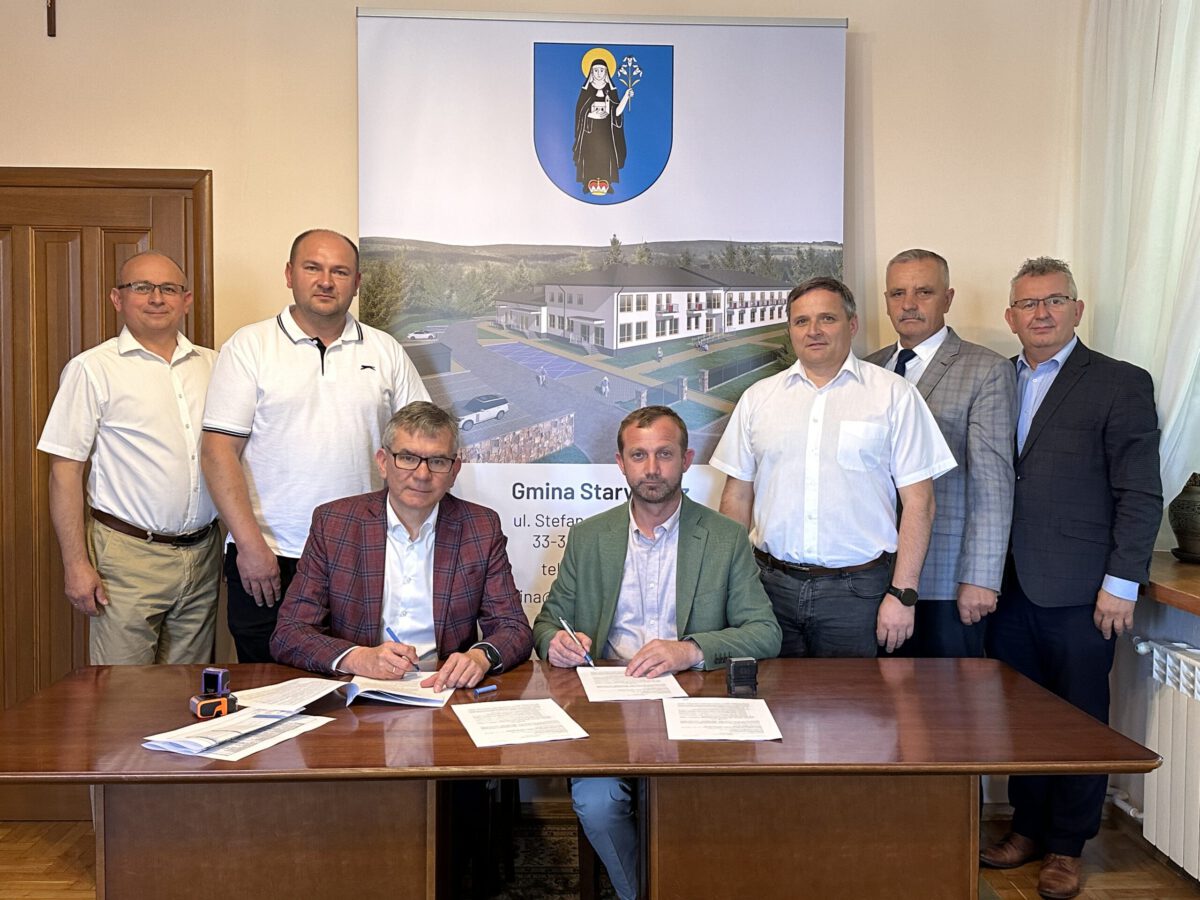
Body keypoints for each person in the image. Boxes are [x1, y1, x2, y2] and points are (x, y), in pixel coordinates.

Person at [534, 406, 781, 900]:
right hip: (608, 708)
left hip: (697, 703)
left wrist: (690, 649)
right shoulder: (589, 537)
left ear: (686, 460)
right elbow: (546, 623)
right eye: (639, 455)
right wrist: (556, 643)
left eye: (664, 455)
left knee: (715, 801)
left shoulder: (725, 537)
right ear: (620, 463)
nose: (652, 469)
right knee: (597, 802)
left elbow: (765, 632)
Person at [980, 257, 1161, 899]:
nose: (1042, 313)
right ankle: (1027, 829)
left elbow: (1140, 493)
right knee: (1020, 717)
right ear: (1010, 317)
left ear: (1077, 310)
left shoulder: (1119, 382)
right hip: (1005, 585)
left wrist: (1122, 581)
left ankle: (1067, 846)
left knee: (1081, 719)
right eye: (1028, 304)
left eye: (1054, 300)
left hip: (1083, 591)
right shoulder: (996, 380)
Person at [202, 229, 430, 663]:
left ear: (356, 283)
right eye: (313, 268)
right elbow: (217, 452)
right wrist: (250, 546)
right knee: (269, 686)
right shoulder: (250, 346)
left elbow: (422, 442)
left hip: (362, 553)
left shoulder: (386, 351)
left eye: (340, 272)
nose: (326, 281)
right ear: (290, 274)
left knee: (359, 680)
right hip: (271, 555)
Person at [712, 276, 957, 657]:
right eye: (801, 321)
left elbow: (920, 503)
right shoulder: (758, 399)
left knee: (853, 695)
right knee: (771, 691)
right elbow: (738, 495)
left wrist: (903, 594)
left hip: (858, 594)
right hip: (768, 588)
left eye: (827, 318)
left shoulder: (894, 395)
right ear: (790, 329)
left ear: (852, 324)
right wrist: (730, 585)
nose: (813, 331)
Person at [37, 251, 220, 664]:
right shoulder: (92, 369)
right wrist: (75, 564)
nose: (156, 298)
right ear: (117, 299)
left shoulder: (214, 365)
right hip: (126, 556)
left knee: (189, 689)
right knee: (122, 691)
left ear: (186, 300)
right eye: (141, 287)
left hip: (203, 555)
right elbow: (65, 471)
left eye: (168, 288)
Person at [271, 401, 533, 685]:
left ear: (454, 470)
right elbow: (289, 632)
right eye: (408, 458)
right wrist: (356, 658)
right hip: (358, 689)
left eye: (437, 461)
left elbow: (514, 628)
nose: (422, 475)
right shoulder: (334, 524)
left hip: (443, 688)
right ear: (383, 462)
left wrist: (481, 657)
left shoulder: (481, 527)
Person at [864, 249, 1015, 657]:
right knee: (877, 693)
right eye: (898, 293)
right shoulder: (867, 370)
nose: (909, 304)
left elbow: (993, 485)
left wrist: (981, 577)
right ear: (886, 301)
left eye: (924, 292)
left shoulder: (986, 370)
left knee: (944, 694)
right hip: (869, 577)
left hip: (944, 580)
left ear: (947, 299)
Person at [574, 56, 631, 195]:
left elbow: (616, 112)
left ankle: (607, 182)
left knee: (606, 155)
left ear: (606, 72)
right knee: (590, 155)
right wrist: (590, 115)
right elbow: (580, 112)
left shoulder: (610, 91)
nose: (599, 73)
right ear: (591, 72)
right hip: (589, 132)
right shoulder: (586, 90)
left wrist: (626, 97)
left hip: (607, 132)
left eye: (601, 70)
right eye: (596, 70)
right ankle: (588, 182)